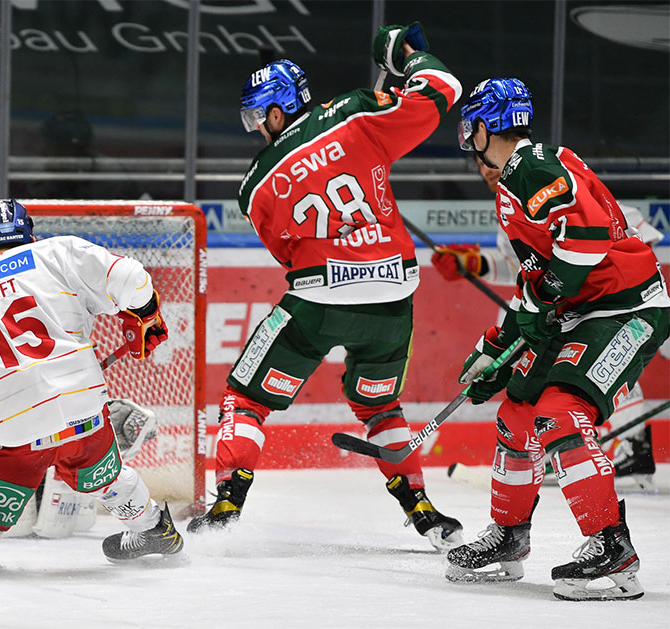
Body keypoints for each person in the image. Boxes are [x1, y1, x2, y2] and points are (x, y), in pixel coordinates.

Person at [187, 24, 466, 551]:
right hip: (392, 296)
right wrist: (408, 55)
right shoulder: (357, 114)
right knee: (381, 408)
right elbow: (443, 89)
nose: (256, 130)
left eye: (257, 117)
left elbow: (286, 253)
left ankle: (227, 504)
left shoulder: (255, 183)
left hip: (318, 299)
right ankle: (423, 510)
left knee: (245, 399)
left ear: (275, 111)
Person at [445, 78, 669, 601]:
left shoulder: (534, 168)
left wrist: (545, 299)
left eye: (468, 125)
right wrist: (496, 349)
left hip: (627, 308)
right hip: (582, 312)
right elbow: (536, 282)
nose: (465, 138)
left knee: (561, 410)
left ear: (487, 125)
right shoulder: (513, 184)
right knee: (517, 414)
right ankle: (508, 535)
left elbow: (587, 239)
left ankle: (612, 544)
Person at [0, 200, 183, 579]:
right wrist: (145, 314)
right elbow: (132, 279)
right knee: (110, 477)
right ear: (30, 234)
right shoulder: (57, 251)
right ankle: (153, 529)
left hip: (15, 425)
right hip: (84, 409)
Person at [432, 158, 667, 492]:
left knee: (596, 364)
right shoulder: (510, 212)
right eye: (480, 165)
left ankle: (633, 447)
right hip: (574, 309)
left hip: (618, 302)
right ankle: (603, 449)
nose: (488, 169)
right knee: (551, 366)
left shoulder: (560, 194)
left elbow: (633, 236)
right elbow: (522, 269)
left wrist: (590, 278)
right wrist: (476, 263)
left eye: (493, 162)